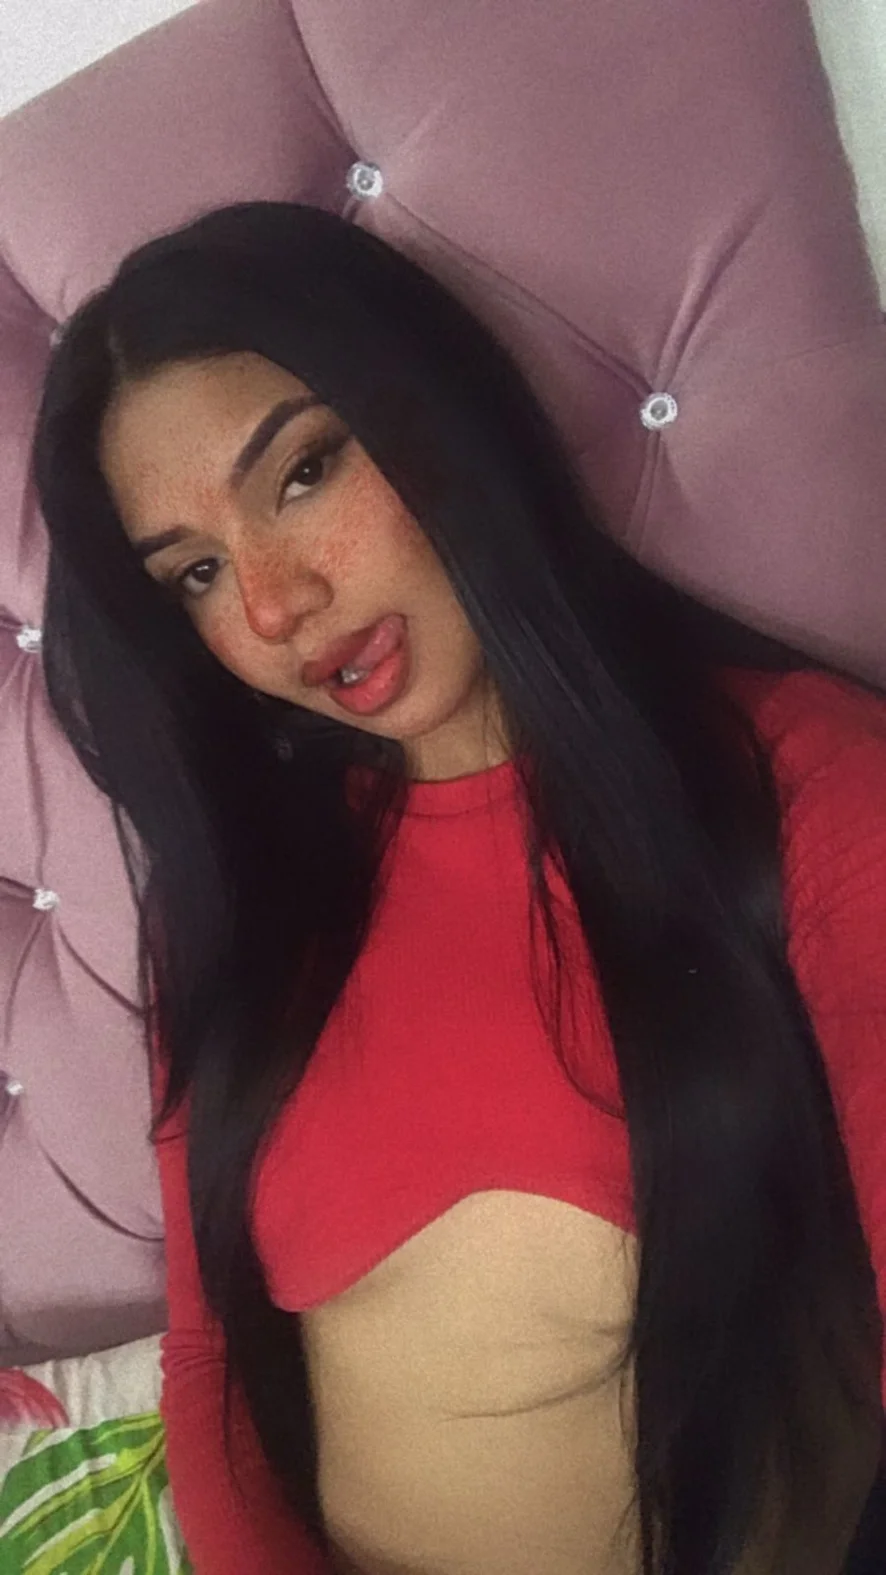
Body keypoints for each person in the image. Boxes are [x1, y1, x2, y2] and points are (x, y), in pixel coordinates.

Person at [30, 200, 886, 1575]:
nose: (272, 605)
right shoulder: (244, 891)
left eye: (304, 473)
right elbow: (213, 1362)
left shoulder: (800, 786)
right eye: (195, 572)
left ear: (435, 411)